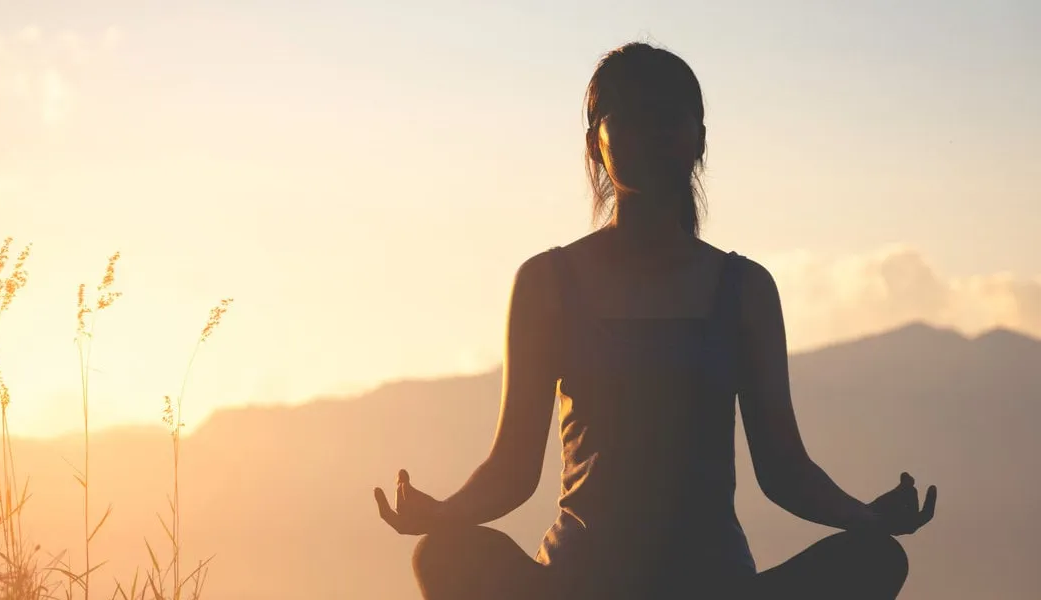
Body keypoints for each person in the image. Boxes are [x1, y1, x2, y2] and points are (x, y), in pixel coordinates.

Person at [373, 41, 937, 600]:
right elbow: (513, 468)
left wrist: (864, 517)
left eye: (669, 115)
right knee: (445, 553)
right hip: (575, 585)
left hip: (715, 586)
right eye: (631, 115)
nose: (652, 131)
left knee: (874, 558)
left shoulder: (745, 289)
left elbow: (784, 468)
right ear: (596, 143)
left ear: (699, 140)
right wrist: (442, 513)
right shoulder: (547, 283)